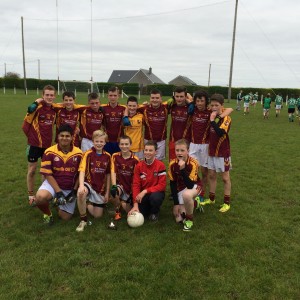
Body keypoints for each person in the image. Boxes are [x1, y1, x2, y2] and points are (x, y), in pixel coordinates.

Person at [188, 90, 233, 201]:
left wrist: (216, 118)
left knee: (213, 174)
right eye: (197, 101)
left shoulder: (213, 113)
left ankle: (207, 196)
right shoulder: (194, 109)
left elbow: (229, 109)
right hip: (201, 147)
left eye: (202, 101)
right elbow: (187, 97)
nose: (199, 103)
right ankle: (197, 193)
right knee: (196, 171)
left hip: (213, 148)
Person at [34, 125, 83, 224]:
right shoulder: (49, 152)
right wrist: (59, 192)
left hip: (69, 187)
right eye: (62, 136)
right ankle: (48, 214)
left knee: (65, 217)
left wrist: (74, 191)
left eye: (67, 136)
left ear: (72, 137)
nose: (64, 138)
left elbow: (80, 174)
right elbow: (48, 174)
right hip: (53, 184)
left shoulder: (79, 153)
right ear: (58, 137)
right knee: (40, 197)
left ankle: (56, 202)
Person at [22, 85, 57, 206]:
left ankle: (43, 193)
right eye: (47, 95)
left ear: (54, 96)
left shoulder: (54, 109)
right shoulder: (36, 108)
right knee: (32, 170)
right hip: (34, 145)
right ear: (43, 95)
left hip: (47, 146)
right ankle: (31, 195)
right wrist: (32, 139)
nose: (49, 97)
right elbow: (25, 125)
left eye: (51, 95)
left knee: (45, 172)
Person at [200, 94, 232, 213]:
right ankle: (211, 199)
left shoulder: (226, 118)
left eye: (216, 105)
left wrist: (212, 120)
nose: (214, 107)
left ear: (221, 106)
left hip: (223, 152)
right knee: (212, 175)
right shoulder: (211, 112)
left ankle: (226, 203)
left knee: (225, 178)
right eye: (212, 105)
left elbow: (220, 133)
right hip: (211, 150)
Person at [76, 130, 111, 232]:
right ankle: (83, 220)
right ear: (93, 142)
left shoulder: (108, 156)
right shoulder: (87, 154)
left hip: (100, 187)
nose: (99, 144)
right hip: (89, 183)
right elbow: (82, 171)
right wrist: (82, 185)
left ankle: (88, 204)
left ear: (105, 142)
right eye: (96, 141)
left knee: (98, 216)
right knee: (81, 193)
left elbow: (108, 174)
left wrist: (107, 192)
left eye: (101, 141)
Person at [168, 139, 203, 231]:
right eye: (177, 150)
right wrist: (176, 204)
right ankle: (195, 202)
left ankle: (190, 220)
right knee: (178, 218)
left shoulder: (193, 163)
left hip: (194, 186)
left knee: (187, 195)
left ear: (188, 151)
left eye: (182, 150)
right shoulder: (172, 164)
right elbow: (173, 184)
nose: (179, 153)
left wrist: (183, 169)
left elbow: (190, 185)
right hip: (181, 189)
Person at [129, 141, 167, 221]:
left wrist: (145, 191)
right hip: (144, 195)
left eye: (150, 150)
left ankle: (154, 212)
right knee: (141, 212)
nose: (148, 152)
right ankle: (146, 208)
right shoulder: (139, 166)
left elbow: (162, 186)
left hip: (155, 193)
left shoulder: (160, 165)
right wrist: (135, 204)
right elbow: (136, 185)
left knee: (155, 198)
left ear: (155, 152)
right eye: (146, 150)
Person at [110, 135, 139, 220]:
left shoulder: (135, 160)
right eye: (122, 144)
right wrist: (114, 186)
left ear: (130, 145)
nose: (124, 146)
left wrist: (133, 193)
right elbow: (113, 171)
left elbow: (136, 178)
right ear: (119, 145)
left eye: (126, 144)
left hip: (130, 188)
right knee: (114, 193)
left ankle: (122, 202)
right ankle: (117, 211)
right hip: (120, 186)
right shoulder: (115, 156)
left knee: (130, 212)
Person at [139, 89, 168, 160]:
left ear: (161, 99)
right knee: (147, 160)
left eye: (157, 98)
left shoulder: (166, 107)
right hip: (148, 140)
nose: (155, 100)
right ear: (150, 98)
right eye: (153, 98)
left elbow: (176, 99)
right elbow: (130, 107)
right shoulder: (144, 108)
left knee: (159, 162)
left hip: (161, 141)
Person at [168, 86, 192, 161]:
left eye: (181, 96)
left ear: (185, 97)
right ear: (174, 96)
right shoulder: (172, 105)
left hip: (186, 141)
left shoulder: (191, 107)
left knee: (185, 164)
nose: (179, 98)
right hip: (173, 140)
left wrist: (191, 101)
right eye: (177, 96)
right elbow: (157, 104)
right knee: (172, 163)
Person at [102, 86, 126, 155]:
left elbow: (135, 107)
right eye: (111, 95)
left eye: (115, 95)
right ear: (108, 96)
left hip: (119, 141)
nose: (113, 97)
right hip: (106, 141)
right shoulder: (102, 108)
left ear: (118, 96)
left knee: (118, 162)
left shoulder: (123, 108)